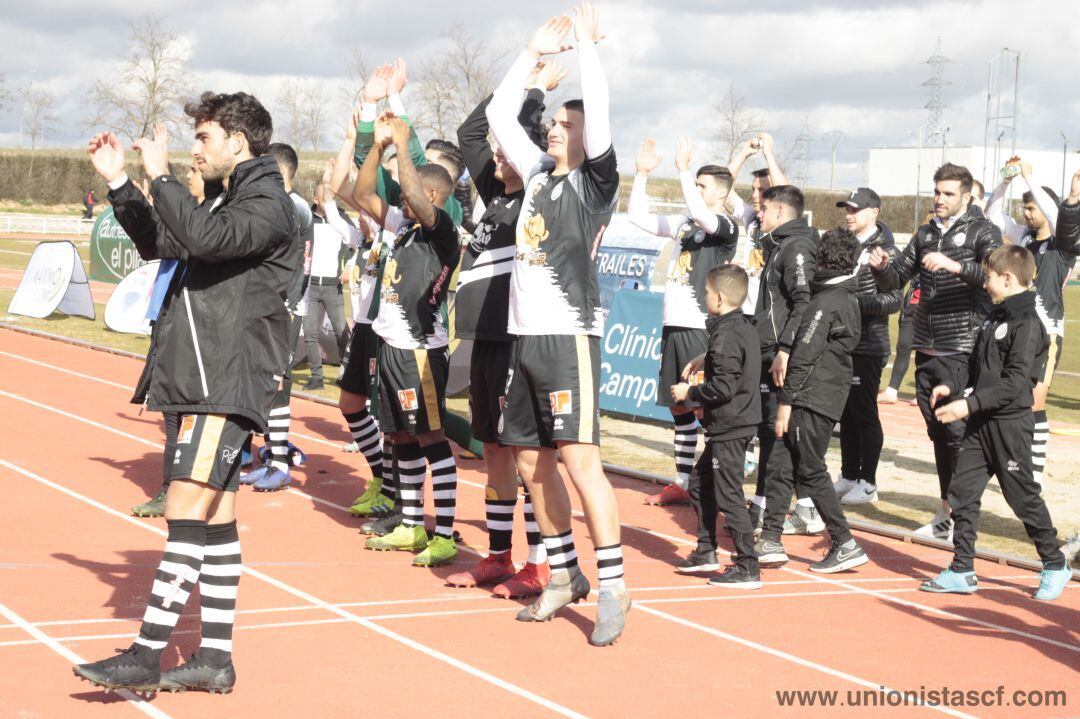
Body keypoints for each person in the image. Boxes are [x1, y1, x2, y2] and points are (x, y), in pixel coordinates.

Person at [76, 91, 297, 694]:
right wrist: (122, 183)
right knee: (216, 520)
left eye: (204, 139)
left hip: (222, 379)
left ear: (238, 143)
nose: (195, 151)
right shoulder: (233, 198)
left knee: (183, 512)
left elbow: (205, 240)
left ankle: (146, 655)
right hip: (205, 376)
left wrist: (159, 174)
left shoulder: (268, 202)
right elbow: (167, 245)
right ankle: (215, 660)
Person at [486, 5, 629, 646]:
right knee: (528, 460)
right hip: (525, 341)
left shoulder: (595, 183)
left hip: (570, 338)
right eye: (553, 122)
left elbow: (595, 109)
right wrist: (529, 55)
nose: (552, 130)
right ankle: (565, 574)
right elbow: (497, 114)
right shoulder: (538, 177)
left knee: (579, 461)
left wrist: (588, 53)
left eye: (564, 124)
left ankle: (616, 588)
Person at [443, 63, 563, 598]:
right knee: (492, 449)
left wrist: (534, 100)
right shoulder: (495, 194)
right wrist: (526, 75)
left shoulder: (539, 193)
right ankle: (497, 556)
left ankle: (540, 565)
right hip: (482, 340)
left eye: (505, 147)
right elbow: (472, 131)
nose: (493, 154)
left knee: (527, 455)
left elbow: (524, 143)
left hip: (518, 339)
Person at [921, 245, 1070, 600]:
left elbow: (1016, 383)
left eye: (988, 277)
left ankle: (1054, 563)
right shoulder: (993, 317)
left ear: (1007, 278)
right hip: (980, 425)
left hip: (1010, 426)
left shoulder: (1027, 323)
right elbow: (973, 364)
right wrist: (950, 385)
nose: (985, 284)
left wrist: (966, 406)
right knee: (962, 491)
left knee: (1022, 497)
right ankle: (962, 568)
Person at [869, 163, 1002, 541]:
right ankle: (948, 508)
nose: (940, 199)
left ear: (966, 195)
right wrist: (882, 269)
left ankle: (956, 513)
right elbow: (897, 277)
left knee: (954, 430)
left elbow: (994, 276)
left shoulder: (982, 230)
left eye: (947, 193)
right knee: (938, 432)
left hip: (961, 343)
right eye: (937, 192)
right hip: (925, 346)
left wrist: (954, 265)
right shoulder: (925, 232)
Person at [352, 114, 461, 568]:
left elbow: (414, 190)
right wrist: (378, 149)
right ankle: (412, 524)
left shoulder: (442, 232)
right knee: (401, 436)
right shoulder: (405, 227)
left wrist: (402, 141)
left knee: (433, 437)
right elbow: (361, 194)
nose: (403, 196)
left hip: (421, 352)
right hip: (391, 348)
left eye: (414, 193)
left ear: (432, 197)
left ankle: (447, 533)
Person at [629, 136, 739, 506]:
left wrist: (682, 169)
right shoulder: (683, 223)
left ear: (721, 195)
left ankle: (718, 485)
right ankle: (683, 479)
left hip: (698, 328)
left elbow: (705, 215)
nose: (694, 190)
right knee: (678, 407)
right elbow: (637, 218)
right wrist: (642, 175)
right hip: (672, 326)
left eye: (701, 186)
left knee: (704, 408)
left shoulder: (723, 225)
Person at [771, 228, 870, 573]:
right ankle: (769, 536)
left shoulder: (828, 301)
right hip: (821, 393)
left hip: (814, 396)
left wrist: (786, 400)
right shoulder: (841, 295)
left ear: (822, 260)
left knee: (811, 469)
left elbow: (805, 354)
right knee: (784, 461)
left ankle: (844, 542)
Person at [131, 163, 219, 518]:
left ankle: (177, 488)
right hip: (167, 317)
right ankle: (175, 486)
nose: (189, 179)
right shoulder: (190, 220)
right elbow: (156, 241)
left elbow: (175, 236)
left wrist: (159, 189)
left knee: (179, 415)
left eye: (194, 176)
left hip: (190, 328)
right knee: (171, 412)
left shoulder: (202, 224)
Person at [986, 160, 1080, 488]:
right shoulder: (1023, 239)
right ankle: (1014, 464)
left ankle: (1034, 476)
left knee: (1035, 403)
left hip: (1048, 332)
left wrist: (1029, 175)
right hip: (1017, 329)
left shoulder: (1064, 243)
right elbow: (993, 215)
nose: (1027, 214)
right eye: (1024, 208)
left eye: (1031, 207)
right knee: (1015, 401)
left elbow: (1056, 215)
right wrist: (1004, 182)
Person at [670, 265, 761, 585]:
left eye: (707, 292)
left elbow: (723, 386)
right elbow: (729, 360)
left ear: (719, 298)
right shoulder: (738, 326)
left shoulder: (726, 333)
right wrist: (704, 357)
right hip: (734, 420)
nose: (703, 296)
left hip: (732, 422)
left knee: (729, 494)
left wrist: (689, 393)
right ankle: (706, 550)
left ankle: (748, 564)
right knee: (700, 483)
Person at [750, 184, 823, 546]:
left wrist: (785, 348)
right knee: (768, 434)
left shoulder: (795, 247)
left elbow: (803, 300)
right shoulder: (776, 245)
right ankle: (764, 506)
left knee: (782, 438)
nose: (757, 215)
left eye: (763, 209)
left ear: (780, 212)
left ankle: (806, 508)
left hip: (781, 355)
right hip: (766, 349)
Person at [240, 142, 314, 492]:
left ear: (278, 171)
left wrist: (288, 301)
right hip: (270, 304)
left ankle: (280, 463)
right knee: (268, 384)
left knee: (278, 385)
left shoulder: (294, 207)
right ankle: (273, 457)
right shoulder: (279, 205)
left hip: (285, 307)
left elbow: (302, 262)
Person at [832, 188, 902, 505]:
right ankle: (849, 475)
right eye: (846, 208)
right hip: (842, 341)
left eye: (855, 209)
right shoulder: (844, 243)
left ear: (873, 212)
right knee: (844, 412)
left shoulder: (886, 250)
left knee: (863, 413)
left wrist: (853, 304)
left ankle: (869, 482)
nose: (849, 214)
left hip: (869, 344)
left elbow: (893, 299)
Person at [303, 165, 355, 391]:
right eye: (324, 195)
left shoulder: (342, 219)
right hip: (310, 287)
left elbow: (356, 245)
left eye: (330, 195)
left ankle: (347, 374)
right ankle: (317, 378)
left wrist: (348, 266)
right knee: (310, 334)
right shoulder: (306, 219)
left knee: (342, 332)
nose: (328, 199)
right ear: (315, 198)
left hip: (333, 287)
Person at [877, 276, 920, 406]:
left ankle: (923, 394)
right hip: (912, 305)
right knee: (903, 346)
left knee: (926, 351)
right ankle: (891, 392)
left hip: (932, 307)